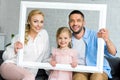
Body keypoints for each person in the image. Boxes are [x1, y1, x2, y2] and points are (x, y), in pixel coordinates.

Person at [0, 9, 50, 80]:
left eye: (41, 22)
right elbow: (5, 56)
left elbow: (46, 58)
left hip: (28, 73)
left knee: (29, 76)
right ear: (29, 22)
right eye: (35, 21)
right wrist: (15, 49)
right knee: (29, 77)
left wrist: (53, 70)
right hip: (10, 66)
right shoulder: (20, 36)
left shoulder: (44, 34)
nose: (39, 25)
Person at [68, 10, 117, 80]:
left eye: (78, 20)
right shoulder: (67, 39)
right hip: (80, 70)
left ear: (83, 23)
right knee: (78, 78)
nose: (75, 23)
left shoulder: (95, 35)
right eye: (72, 21)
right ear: (69, 23)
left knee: (97, 78)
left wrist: (107, 40)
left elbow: (113, 53)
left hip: (99, 69)